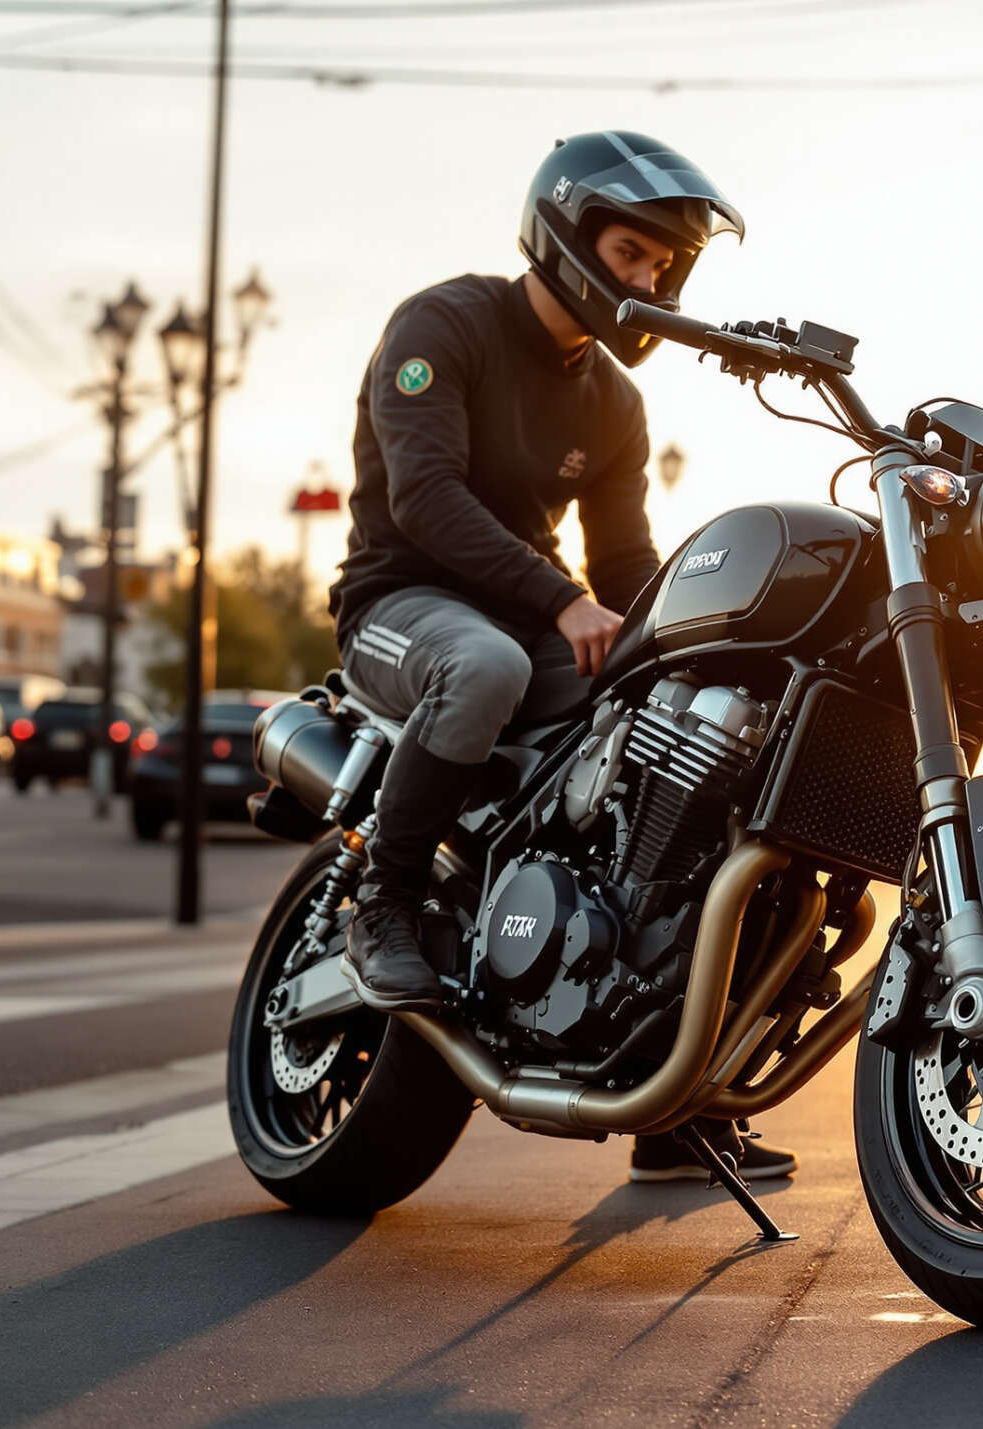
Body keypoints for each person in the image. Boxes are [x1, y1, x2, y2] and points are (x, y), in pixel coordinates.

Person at [328, 131, 792, 1185]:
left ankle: (674, 1090)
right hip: (402, 603)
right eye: (632, 253)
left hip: (534, 623)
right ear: (566, 233)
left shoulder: (614, 405)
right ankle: (385, 900)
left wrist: (708, 651)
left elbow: (624, 562)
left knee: (694, 739)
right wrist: (559, 599)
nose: (649, 281)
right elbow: (425, 496)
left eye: (663, 265)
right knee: (483, 666)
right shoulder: (445, 324)